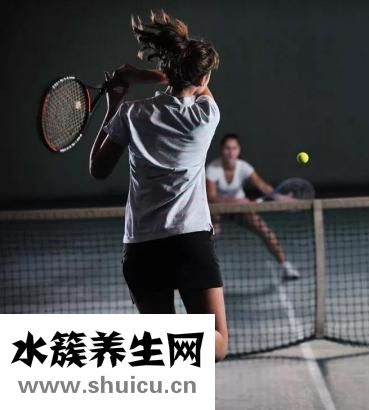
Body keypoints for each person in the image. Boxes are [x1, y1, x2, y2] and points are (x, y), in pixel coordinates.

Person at [88, 10, 228, 360]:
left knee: (160, 350)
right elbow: (196, 82)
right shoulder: (206, 115)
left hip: (142, 248)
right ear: (204, 75)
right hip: (190, 242)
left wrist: (117, 100)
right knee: (218, 345)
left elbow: (98, 169)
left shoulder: (131, 114)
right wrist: (147, 74)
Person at [206, 133, 300, 279]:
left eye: (234, 148)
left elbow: (263, 186)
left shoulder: (244, 167)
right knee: (207, 238)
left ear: (239, 150)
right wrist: (237, 201)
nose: (231, 152)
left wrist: (281, 197)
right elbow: (211, 197)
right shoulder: (212, 169)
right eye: (227, 148)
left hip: (241, 209)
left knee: (264, 230)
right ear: (221, 150)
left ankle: (286, 266)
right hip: (217, 210)